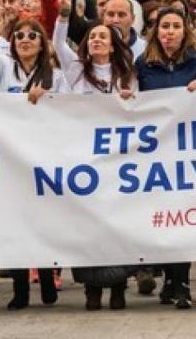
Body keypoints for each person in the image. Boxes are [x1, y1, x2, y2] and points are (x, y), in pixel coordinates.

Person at [0, 17, 66, 309]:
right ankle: (20, 289)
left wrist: (48, 99)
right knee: (16, 223)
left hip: (43, 156)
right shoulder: (4, 68)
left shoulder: (56, 76)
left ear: (42, 43)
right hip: (10, 154)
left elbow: (70, 112)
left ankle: (48, 279)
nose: (25, 40)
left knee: (43, 222)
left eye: (32, 35)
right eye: (19, 36)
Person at [136, 8, 196, 309]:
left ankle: (181, 283)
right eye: (164, 26)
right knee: (163, 218)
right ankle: (170, 279)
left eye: (175, 26)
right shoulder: (143, 63)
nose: (169, 31)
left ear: (185, 31)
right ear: (156, 31)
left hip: (188, 151)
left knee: (182, 217)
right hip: (156, 152)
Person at [62, 24, 137, 309]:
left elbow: (138, 111)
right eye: (92, 36)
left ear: (113, 45)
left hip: (117, 159)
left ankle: (119, 286)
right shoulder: (75, 71)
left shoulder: (128, 74)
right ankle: (91, 288)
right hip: (85, 158)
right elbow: (57, 43)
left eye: (102, 37)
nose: (96, 40)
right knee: (88, 224)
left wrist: (130, 101)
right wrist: (64, 14)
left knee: (117, 223)